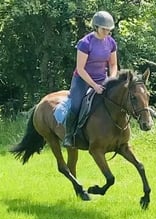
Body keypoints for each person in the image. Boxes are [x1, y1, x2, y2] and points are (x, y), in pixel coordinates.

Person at [63, 10, 118, 147]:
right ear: (96, 27)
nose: (106, 32)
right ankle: (69, 136)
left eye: (109, 30)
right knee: (75, 105)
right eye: (104, 29)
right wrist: (94, 86)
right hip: (82, 80)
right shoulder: (85, 43)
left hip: (102, 79)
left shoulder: (111, 42)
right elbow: (81, 69)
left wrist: (111, 80)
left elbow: (113, 64)